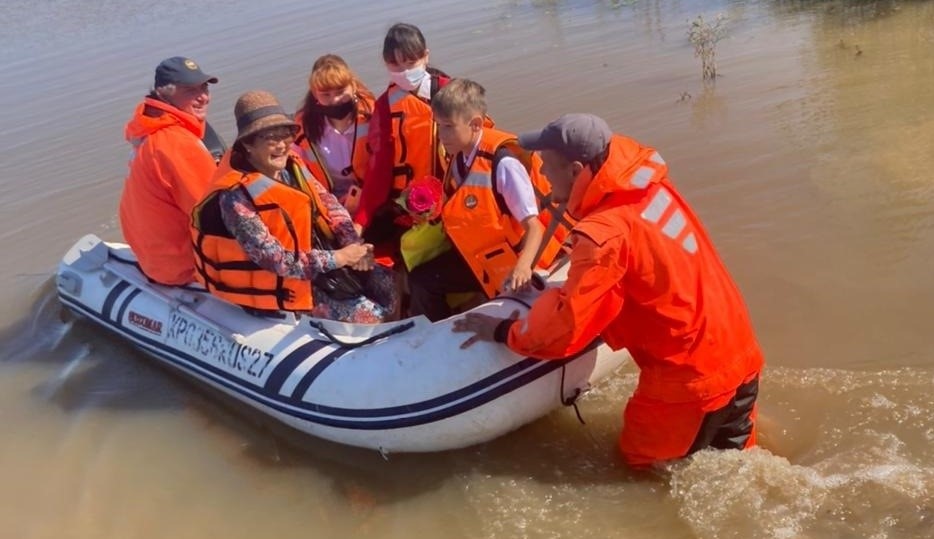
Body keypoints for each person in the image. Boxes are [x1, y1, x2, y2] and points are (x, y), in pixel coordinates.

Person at [452, 114, 765, 468]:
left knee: (640, 471)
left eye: (548, 167)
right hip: (740, 354)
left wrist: (502, 331)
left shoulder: (603, 235)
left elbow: (563, 331)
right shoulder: (649, 189)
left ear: (574, 170)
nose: (542, 175)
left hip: (690, 381)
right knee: (739, 465)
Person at [190, 91, 397, 323]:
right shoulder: (235, 197)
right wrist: (339, 258)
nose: (282, 145)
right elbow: (275, 260)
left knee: (393, 290)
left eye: (286, 134)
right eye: (271, 137)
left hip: (321, 263)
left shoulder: (294, 166)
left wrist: (353, 244)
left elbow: (331, 206)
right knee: (374, 317)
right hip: (289, 286)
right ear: (248, 144)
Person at [407, 79, 562, 321]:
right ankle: (441, 333)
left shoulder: (503, 165)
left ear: (476, 124)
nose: (441, 135)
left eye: (448, 126)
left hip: (508, 261)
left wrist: (522, 267)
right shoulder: (460, 156)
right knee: (420, 278)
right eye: (438, 126)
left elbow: (534, 227)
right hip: (477, 256)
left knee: (426, 281)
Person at [118, 56, 222, 285]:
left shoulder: (148, 127)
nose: (203, 96)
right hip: (181, 267)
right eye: (190, 90)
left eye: (204, 86)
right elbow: (215, 218)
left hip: (151, 257)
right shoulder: (176, 144)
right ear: (164, 93)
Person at [353, 22, 455, 245]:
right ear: (385, 63)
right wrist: (361, 220)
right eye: (395, 65)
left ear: (426, 56)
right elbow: (379, 167)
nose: (405, 72)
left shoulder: (452, 92)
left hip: (456, 195)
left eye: (411, 62)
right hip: (414, 206)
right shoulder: (385, 107)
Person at [294, 54, 375, 213]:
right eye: (326, 94)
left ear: (353, 86)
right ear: (315, 94)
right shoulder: (303, 130)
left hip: (374, 196)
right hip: (334, 206)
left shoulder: (374, 115)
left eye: (340, 91)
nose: (335, 99)